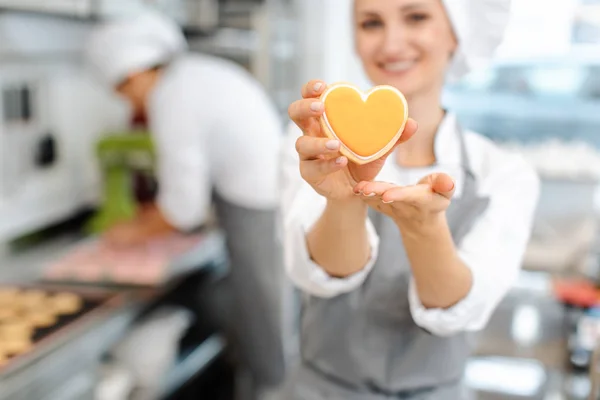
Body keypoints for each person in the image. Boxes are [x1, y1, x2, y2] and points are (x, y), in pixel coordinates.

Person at [280, 0, 540, 398]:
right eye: (371, 23)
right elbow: (324, 274)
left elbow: (459, 308)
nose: (391, 43)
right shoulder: (314, 147)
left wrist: (425, 229)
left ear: (457, 32)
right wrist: (345, 197)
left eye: (416, 17)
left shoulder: (501, 174)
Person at [85, 9, 286, 399]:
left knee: (266, 328)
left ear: (133, 74)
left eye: (122, 91)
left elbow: (182, 210)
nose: (128, 102)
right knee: (261, 315)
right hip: (264, 199)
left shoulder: (172, 95)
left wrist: (129, 234)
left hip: (257, 208)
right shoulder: (194, 75)